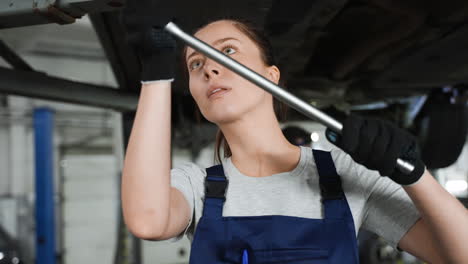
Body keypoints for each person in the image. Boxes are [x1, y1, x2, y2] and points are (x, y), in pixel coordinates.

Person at [120, 1, 468, 263]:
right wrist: (155, 73)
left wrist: (413, 174)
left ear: (271, 76)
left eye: (226, 51)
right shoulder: (196, 186)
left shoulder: (345, 173)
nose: (209, 67)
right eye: (195, 64)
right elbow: (148, 221)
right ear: (194, 93)